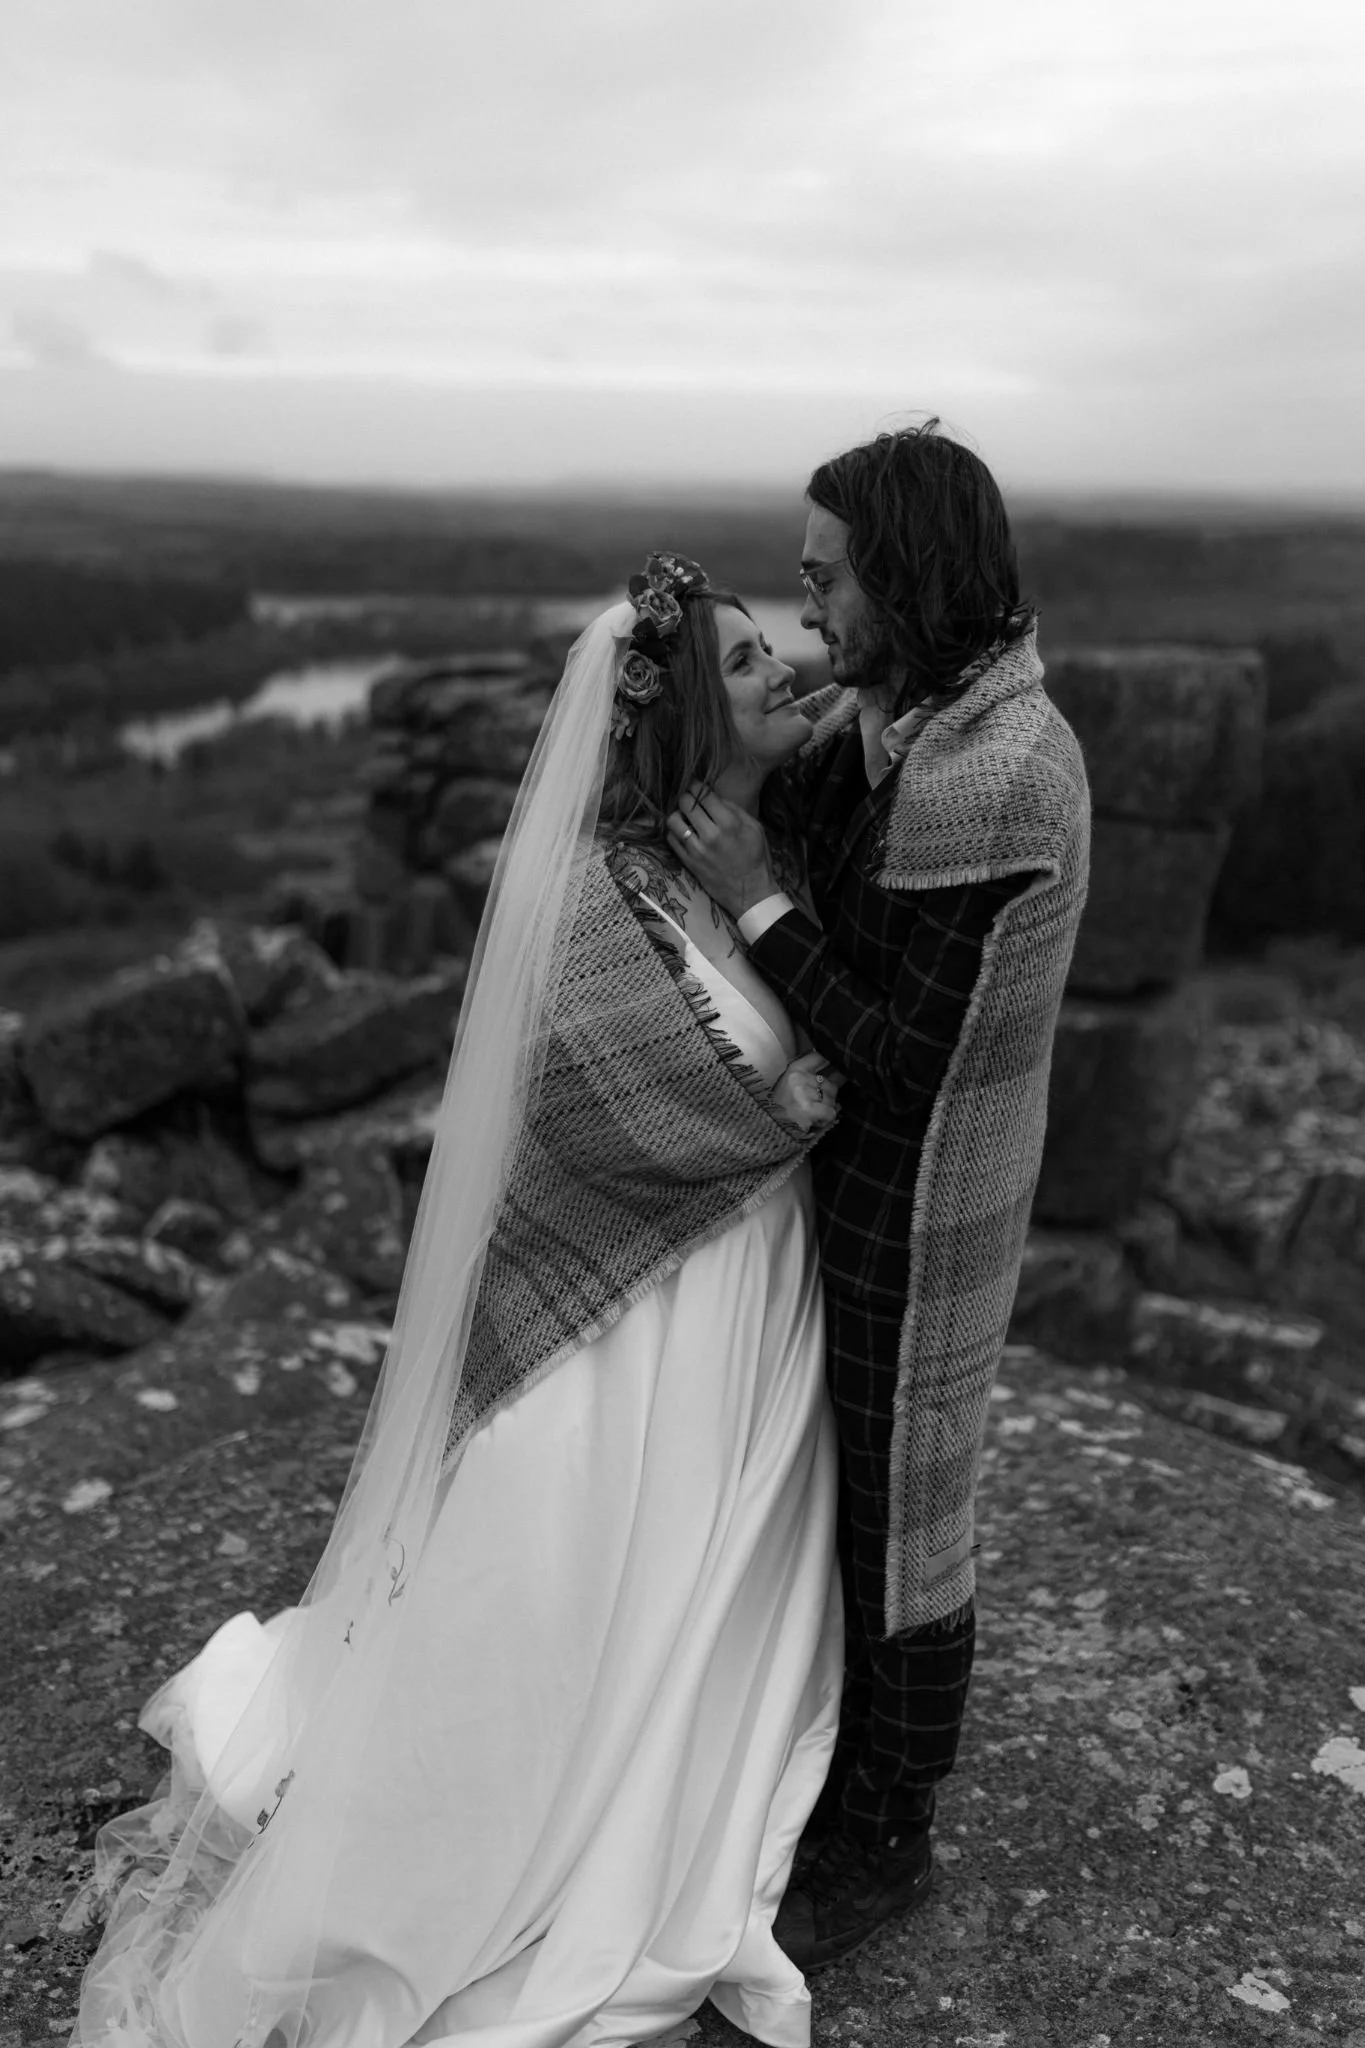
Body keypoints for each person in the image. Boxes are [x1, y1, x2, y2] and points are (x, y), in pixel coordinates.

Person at [72, 556, 847, 2048]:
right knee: (566, 1610)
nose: (787, 676)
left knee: (693, 1604)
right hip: (630, 1328)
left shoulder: (741, 852)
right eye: (749, 665)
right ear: (684, 713)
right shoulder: (593, 888)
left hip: (736, 1310)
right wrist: (781, 1119)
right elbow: (592, 1123)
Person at [669, 422, 1091, 1972]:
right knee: (839, 1501)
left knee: (910, 1513)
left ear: (902, 575)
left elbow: (906, 1050)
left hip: (925, 1207)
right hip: (861, 1183)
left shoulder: (1000, 775)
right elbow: (841, 863)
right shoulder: (915, 717)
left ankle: (891, 1832)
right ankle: (829, 1770)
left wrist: (754, 897)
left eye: (825, 580)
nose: (810, 616)